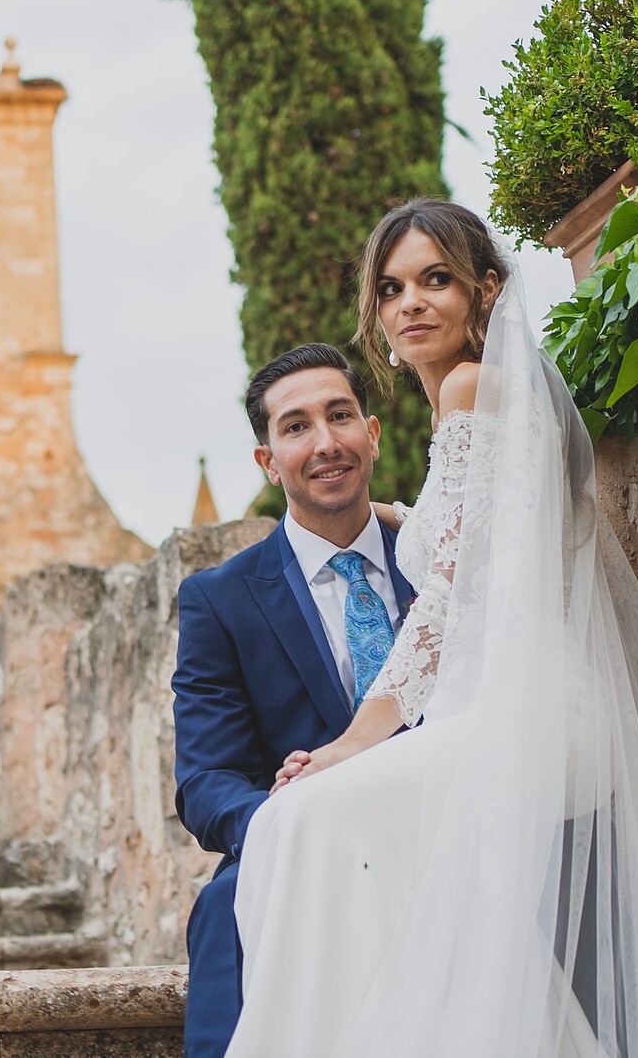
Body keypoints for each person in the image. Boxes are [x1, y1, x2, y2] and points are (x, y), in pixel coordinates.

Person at [184, 198, 638, 1057]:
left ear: (486, 289)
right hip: (501, 709)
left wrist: (352, 743)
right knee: (310, 835)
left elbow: (446, 603)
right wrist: (397, 516)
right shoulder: (478, 405)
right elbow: (480, 529)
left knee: (303, 821)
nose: (411, 303)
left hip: (530, 712)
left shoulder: (471, 388)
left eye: (436, 279)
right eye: (392, 289)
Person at [171, 338, 419, 1058]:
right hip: (301, 847)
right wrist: (289, 821)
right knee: (226, 904)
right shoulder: (219, 601)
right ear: (268, 461)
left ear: (370, 435)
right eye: (296, 426)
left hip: (446, 822)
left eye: (340, 416)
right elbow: (207, 781)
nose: (325, 442)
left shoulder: (439, 563)